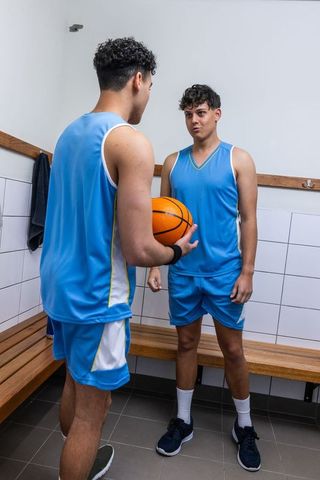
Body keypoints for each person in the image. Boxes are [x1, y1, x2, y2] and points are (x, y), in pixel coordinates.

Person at [40, 38, 197, 480]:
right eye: (150, 87)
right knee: (94, 410)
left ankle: (78, 461)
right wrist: (176, 250)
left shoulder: (70, 133)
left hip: (58, 288)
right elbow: (138, 248)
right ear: (138, 79)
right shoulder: (130, 142)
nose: (147, 97)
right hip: (97, 297)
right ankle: (77, 463)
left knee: (74, 381)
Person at [147, 84, 261, 471]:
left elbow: (248, 220)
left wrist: (247, 271)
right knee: (186, 345)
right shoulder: (172, 162)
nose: (193, 121)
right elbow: (157, 220)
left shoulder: (239, 159)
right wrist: (155, 265)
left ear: (217, 113)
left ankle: (244, 425)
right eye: (188, 115)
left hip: (225, 273)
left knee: (232, 351)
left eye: (200, 113)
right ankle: (183, 420)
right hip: (184, 272)